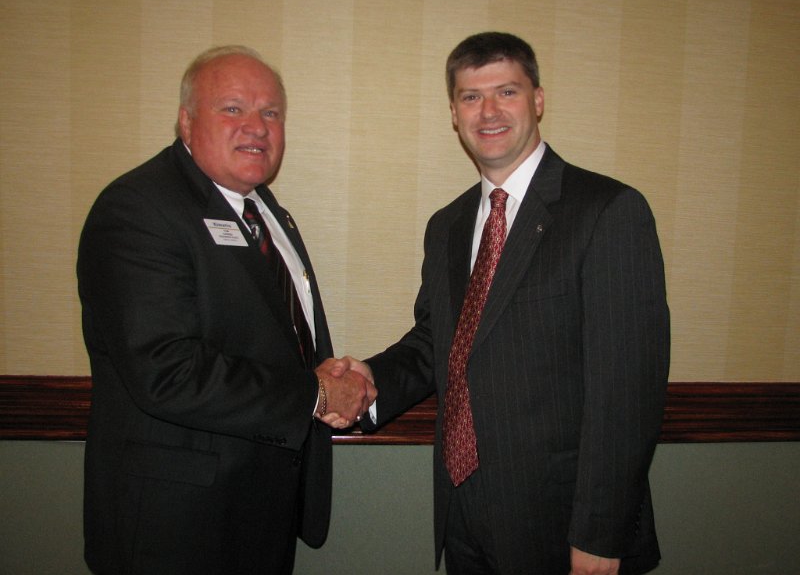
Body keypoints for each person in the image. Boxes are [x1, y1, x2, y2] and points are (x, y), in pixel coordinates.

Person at [331, 32, 670, 574]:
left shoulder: (607, 211)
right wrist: (370, 378)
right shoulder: (447, 225)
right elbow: (438, 341)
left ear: (538, 100)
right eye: (471, 96)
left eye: (506, 92)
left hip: (564, 524)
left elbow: (628, 393)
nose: (488, 111)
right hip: (463, 513)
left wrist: (601, 534)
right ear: (454, 113)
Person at [77, 45, 375, 575]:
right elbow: (167, 372)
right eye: (233, 108)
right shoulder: (138, 209)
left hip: (258, 511)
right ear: (186, 122)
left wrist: (326, 378)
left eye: (271, 112)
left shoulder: (266, 211)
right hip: (174, 527)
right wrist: (316, 393)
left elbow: (273, 338)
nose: (256, 127)